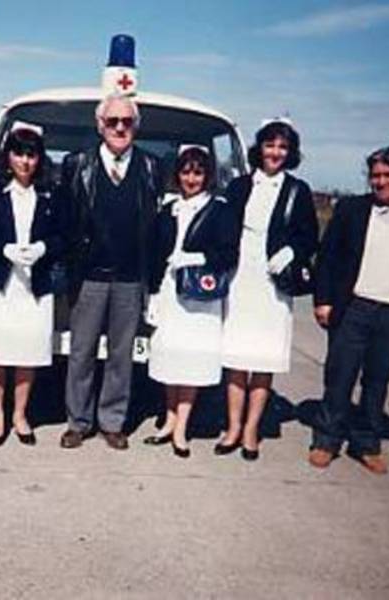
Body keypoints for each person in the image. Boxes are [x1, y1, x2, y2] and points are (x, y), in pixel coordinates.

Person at [308, 146, 389, 474]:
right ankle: (326, 440)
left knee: (377, 381)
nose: (381, 182)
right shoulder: (352, 209)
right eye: (375, 175)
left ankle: (366, 442)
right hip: (354, 309)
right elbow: (328, 259)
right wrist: (323, 300)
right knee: (339, 377)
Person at [59, 93, 160, 450]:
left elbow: (155, 225)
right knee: (81, 352)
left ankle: (112, 421)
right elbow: (64, 222)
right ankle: (78, 421)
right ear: (99, 125)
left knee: (122, 355)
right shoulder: (77, 164)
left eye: (127, 122)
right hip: (89, 277)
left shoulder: (150, 167)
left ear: (136, 126)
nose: (120, 127)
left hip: (131, 279)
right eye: (113, 121)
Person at [220, 119, 318, 460]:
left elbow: (309, 236)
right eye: (270, 145)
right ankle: (232, 426)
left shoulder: (297, 190)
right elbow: (222, 227)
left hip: (273, 285)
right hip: (240, 277)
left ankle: (251, 430)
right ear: (259, 148)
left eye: (283, 147)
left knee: (262, 360)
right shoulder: (239, 185)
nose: (275, 152)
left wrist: (291, 251)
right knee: (235, 359)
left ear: (290, 153)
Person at [0, 123, 65, 447]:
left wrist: (43, 248)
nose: (25, 161)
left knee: (27, 351)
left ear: (39, 159)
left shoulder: (51, 194)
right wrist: (2, 249)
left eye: (31, 154)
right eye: (19, 153)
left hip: (34, 286)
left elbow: (65, 235)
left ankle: (20, 414)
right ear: (8, 156)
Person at [144, 147, 240, 458]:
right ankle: (169, 420)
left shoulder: (220, 209)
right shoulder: (168, 208)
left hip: (200, 297)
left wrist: (197, 258)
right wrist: (154, 294)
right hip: (171, 294)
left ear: (208, 176)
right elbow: (155, 255)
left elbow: (228, 254)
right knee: (171, 359)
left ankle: (182, 427)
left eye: (198, 172)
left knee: (191, 363)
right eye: (186, 172)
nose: (191, 179)